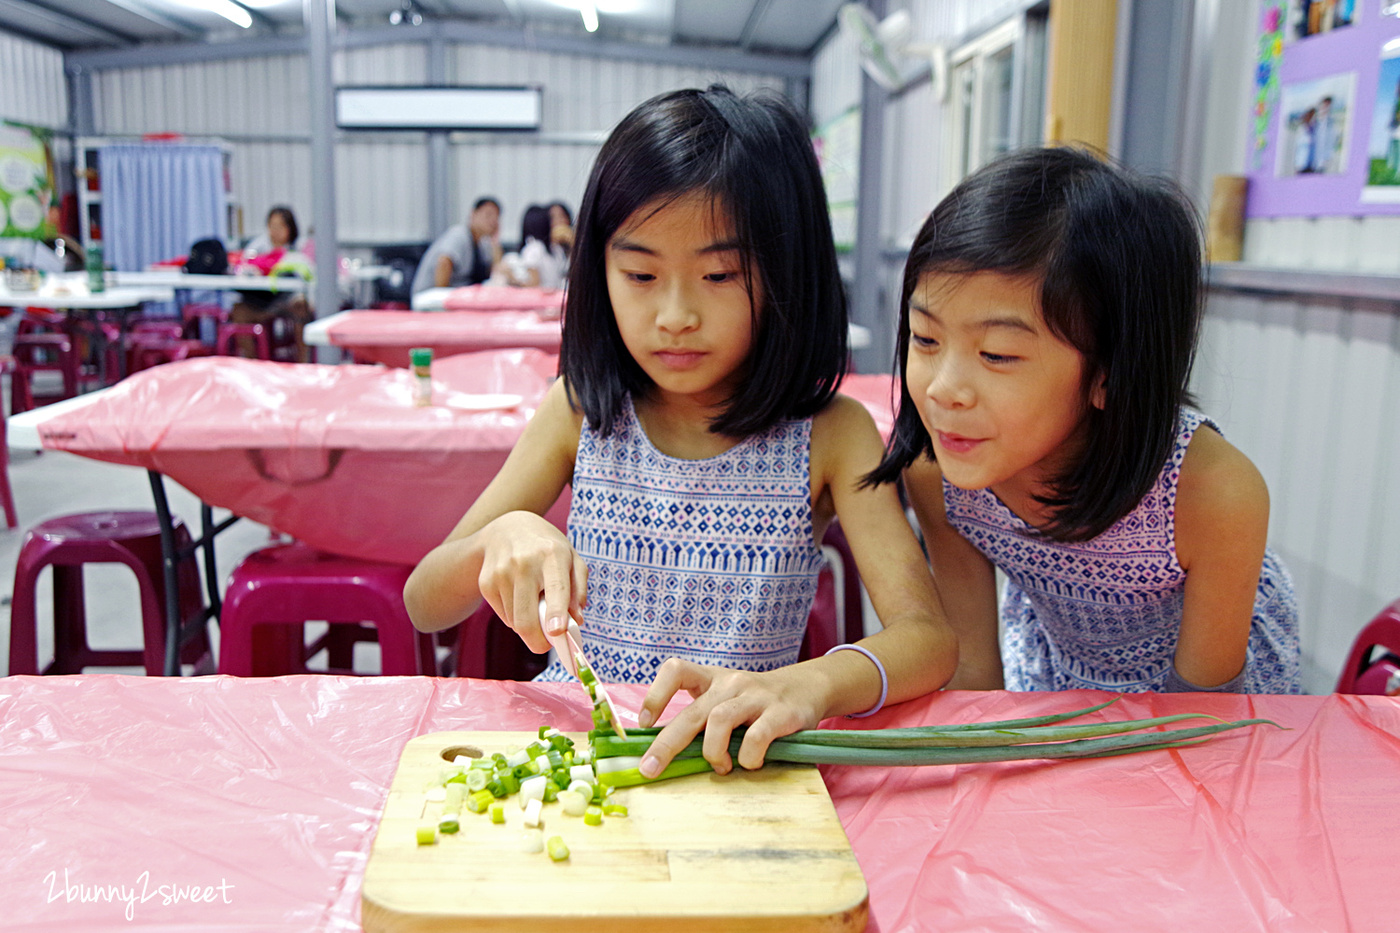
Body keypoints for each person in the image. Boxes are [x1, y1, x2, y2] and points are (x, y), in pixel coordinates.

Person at [404, 85, 957, 778]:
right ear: (599, 269)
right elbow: (425, 600)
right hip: (578, 762)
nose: (674, 314)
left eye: (719, 274)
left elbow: (928, 639)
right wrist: (497, 537)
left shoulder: (830, 434)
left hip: (735, 765)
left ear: (785, 274)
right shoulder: (580, 411)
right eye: (639, 273)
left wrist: (813, 683)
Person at [864, 146, 1301, 695]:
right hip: (1061, 675)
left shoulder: (1214, 495)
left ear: (1109, 373)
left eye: (997, 353)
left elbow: (1201, 720)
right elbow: (973, 677)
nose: (943, 389)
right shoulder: (941, 473)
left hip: (1207, 702)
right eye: (926, 339)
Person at [230, 205, 313, 361]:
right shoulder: (258, 247)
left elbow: (309, 274)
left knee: (302, 307)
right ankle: (252, 362)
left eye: (280, 226)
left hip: (289, 301)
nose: (275, 231)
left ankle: (303, 363)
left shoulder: (299, 248)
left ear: (290, 228)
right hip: (262, 300)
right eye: (272, 226)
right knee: (239, 310)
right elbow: (243, 267)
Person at [411, 196, 502, 296]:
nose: (493, 221)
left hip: (459, 294)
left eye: (496, 217)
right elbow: (444, 263)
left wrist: (495, 241)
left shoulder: (483, 244)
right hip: (429, 295)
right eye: (488, 215)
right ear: (473, 214)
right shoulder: (459, 235)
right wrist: (442, 298)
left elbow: (496, 273)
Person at [505, 204, 568, 290]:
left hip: (542, 299)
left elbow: (533, 284)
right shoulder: (556, 249)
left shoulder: (534, 248)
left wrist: (511, 278)